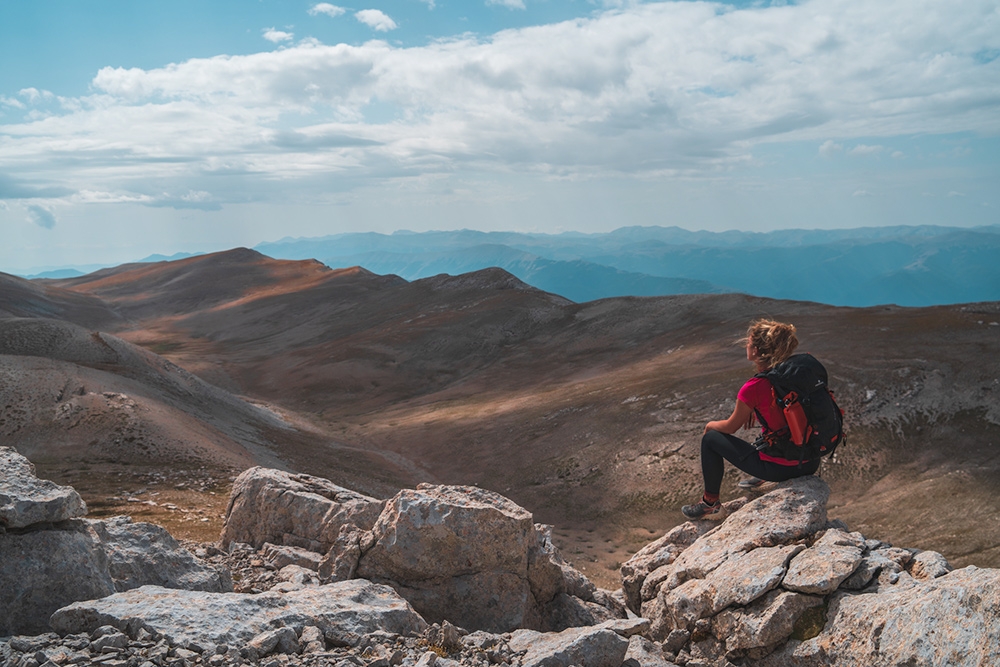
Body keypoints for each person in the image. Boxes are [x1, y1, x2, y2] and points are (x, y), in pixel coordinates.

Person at [681, 319, 821, 520]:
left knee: (711, 440)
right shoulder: (794, 374)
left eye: (748, 343)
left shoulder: (755, 386)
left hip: (783, 468)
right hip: (809, 462)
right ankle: (766, 477)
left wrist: (709, 425)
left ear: (756, 351)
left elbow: (729, 428)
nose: (746, 346)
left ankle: (710, 504)